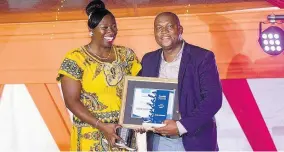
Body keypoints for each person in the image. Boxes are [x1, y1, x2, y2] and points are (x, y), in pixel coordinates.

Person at [56, 0, 141, 151]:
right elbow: (71, 101)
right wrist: (102, 126)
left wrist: (141, 119)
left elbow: (139, 89)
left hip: (122, 133)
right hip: (91, 134)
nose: (111, 31)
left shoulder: (126, 55)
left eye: (114, 26)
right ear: (91, 29)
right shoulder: (76, 59)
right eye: (105, 27)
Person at [139, 12, 222, 151]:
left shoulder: (202, 57)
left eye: (169, 26)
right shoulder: (148, 60)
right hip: (158, 140)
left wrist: (180, 126)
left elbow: (213, 100)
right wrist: (136, 120)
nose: (163, 31)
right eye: (158, 28)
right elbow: (141, 95)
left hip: (193, 139)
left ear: (180, 29)